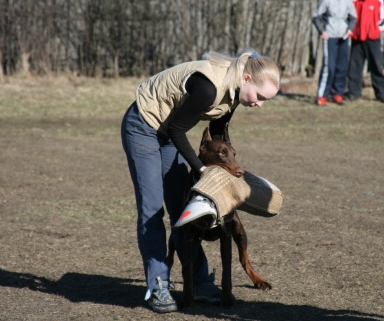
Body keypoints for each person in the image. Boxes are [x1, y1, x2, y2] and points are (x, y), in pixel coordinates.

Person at [120, 49, 280, 313]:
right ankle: (158, 286)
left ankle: (201, 282)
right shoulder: (209, 87)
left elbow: (217, 132)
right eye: (260, 97)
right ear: (247, 78)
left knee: (184, 208)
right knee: (152, 208)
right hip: (144, 125)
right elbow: (178, 129)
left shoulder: (235, 92)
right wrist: (202, 169)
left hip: (171, 129)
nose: (260, 104)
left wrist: (227, 170)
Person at [313, 0, 357, 106]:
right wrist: (322, 31)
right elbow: (316, 17)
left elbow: (353, 18)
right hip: (330, 37)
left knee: (342, 67)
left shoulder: (348, 2)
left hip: (343, 37)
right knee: (329, 67)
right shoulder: (327, 1)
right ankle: (322, 95)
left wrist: (350, 29)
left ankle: (338, 93)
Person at [347, 0, 384, 104]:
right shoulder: (354, 1)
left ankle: (382, 94)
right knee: (355, 67)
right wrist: (352, 30)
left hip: (373, 39)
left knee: (376, 66)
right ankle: (354, 93)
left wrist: (375, 29)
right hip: (357, 39)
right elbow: (348, 16)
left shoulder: (380, 1)